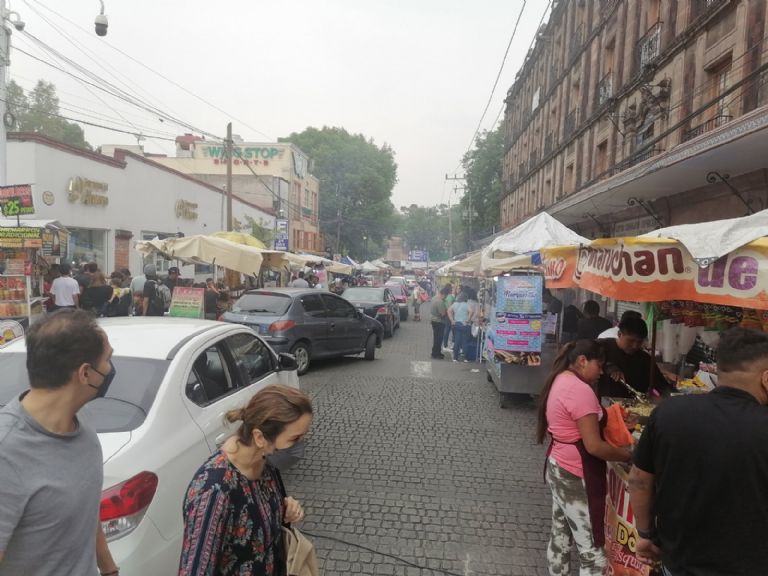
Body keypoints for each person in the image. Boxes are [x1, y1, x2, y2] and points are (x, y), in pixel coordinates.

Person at [629, 327, 768, 575]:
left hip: (679, 562)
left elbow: (639, 480)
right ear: (765, 378)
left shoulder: (669, 412)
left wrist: (646, 534)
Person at [0, 309, 119, 576]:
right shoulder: (7, 453)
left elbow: (85, 510)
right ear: (85, 373)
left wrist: (109, 569)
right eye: (108, 359)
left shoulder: (81, 421)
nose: (111, 369)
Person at [178, 385, 312, 576]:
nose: (300, 445)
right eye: (295, 438)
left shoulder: (265, 462)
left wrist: (285, 509)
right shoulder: (214, 491)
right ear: (259, 437)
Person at [537, 340, 632, 576]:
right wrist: (628, 455)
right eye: (599, 365)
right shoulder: (580, 391)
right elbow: (595, 447)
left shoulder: (562, 379)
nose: (601, 372)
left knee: (561, 536)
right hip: (575, 474)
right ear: (582, 361)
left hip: (558, 466)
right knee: (594, 555)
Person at [598, 316, 674, 398]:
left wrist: (675, 396)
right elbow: (584, 356)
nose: (635, 346)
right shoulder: (601, 347)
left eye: (639, 342)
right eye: (631, 341)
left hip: (636, 405)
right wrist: (608, 365)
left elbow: (662, 384)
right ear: (619, 334)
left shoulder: (645, 358)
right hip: (605, 404)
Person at [448, 293, 473, 362]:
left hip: (456, 324)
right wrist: (468, 320)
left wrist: (452, 320)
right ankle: (465, 358)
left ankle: (455, 358)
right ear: (466, 298)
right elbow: (471, 311)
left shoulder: (455, 304)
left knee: (457, 341)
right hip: (464, 325)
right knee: (465, 341)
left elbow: (449, 311)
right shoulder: (466, 305)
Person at [430, 285, 451, 359]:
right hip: (439, 321)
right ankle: (436, 353)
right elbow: (443, 313)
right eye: (445, 296)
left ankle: (436, 352)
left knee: (436, 337)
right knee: (439, 338)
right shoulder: (439, 302)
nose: (445, 298)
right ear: (443, 294)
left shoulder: (434, 298)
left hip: (433, 320)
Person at [441, 284, 456, 350]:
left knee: (447, 329)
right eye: (453, 288)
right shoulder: (450, 296)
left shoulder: (447, 296)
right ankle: (445, 345)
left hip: (447, 314)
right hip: (449, 314)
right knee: (448, 329)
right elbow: (450, 306)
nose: (454, 289)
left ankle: (445, 344)